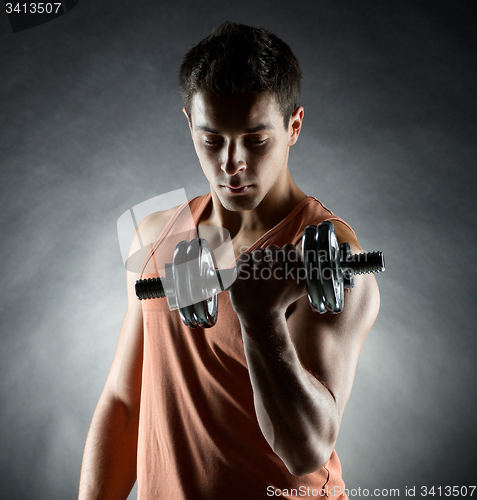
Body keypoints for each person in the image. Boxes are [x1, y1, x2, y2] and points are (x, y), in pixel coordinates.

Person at [78, 21, 380, 500]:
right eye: (212, 139)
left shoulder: (328, 254)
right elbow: (124, 402)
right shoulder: (155, 236)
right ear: (189, 125)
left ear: (293, 127)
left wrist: (261, 318)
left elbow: (307, 450)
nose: (231, 163)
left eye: (256, 140)